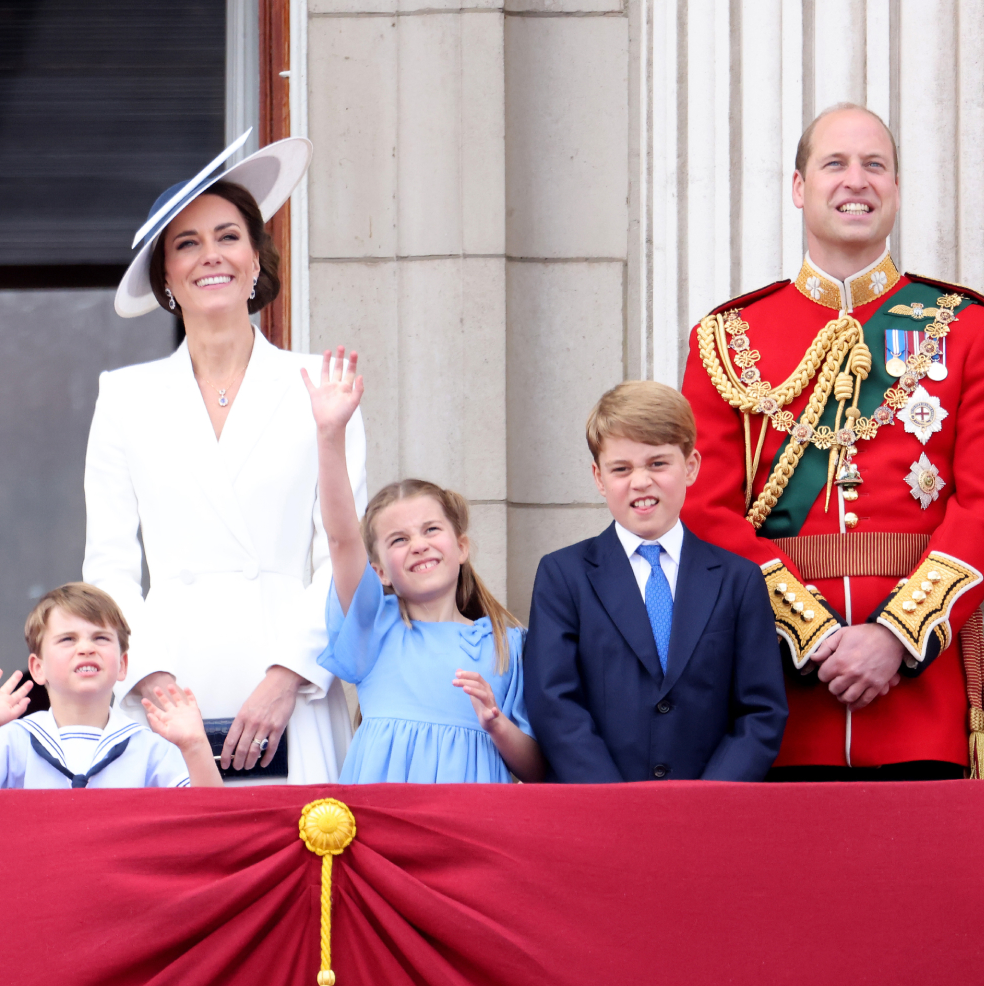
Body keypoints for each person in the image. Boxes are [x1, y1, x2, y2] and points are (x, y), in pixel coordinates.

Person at [679, 103, 984, 780]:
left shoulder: (963, 327)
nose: (857, 180)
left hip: (921, 701)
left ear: (896, 190)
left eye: (874, 165)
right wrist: (813, 638)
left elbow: (980, 507)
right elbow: (704, 511)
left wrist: (895, 637)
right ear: (798, 188)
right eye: (834, 163)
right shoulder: (727, 339)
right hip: (777, 705)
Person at [85, 131, 366, 784]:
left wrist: (287, 677)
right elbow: (109, 563)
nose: (209, 255)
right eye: (186, 243)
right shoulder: (123, 397)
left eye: (227, 236)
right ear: (165, 276)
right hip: (166, 686)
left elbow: (340, 554)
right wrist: (150, 675)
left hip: (288, 684)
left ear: (256, 261)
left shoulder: (321, 384)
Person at [526, 382, 788, 782]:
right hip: (600, 809)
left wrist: (707, 799)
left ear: (691, 466)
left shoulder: (738, 580)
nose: (640, 482)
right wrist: (615, 802)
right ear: (598, 477)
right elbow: (554, 702)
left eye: (657, 463)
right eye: (621, 468)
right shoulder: (563, 576)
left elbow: (761, 710)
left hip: (708, 811)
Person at [302, 351, 542, 784]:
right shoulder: (372, 626)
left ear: (461, 545)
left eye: (431, 529)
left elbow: (539, 768)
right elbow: (340, 537)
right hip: (384, 824)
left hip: (472, 826)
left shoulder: (509, 643)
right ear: (379, 571)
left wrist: (496, 725)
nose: (419, 545)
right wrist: (329, 434)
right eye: (398, 539)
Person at [0, 582, 222, 789]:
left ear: (122, 665)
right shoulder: (14, 740)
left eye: (101, 638)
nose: (86, 648)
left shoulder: (149, 747)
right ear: (38, 668)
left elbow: (210, 822)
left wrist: (195, 745)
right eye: (68, 639)